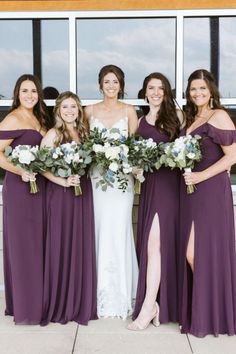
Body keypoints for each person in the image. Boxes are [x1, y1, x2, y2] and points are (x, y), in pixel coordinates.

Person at [179, 69, 236, 337]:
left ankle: (211, 313)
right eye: (193, 89)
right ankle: (206, 310)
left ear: (211, 90)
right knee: (195, 252)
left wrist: (202, 174)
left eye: (202, 88)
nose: (197, 93)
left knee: (197, 253)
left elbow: (232, 156)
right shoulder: (191, 117)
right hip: (191, 192)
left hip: (211, 189)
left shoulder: (219, 115)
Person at [128, 72, 182, 330]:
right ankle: (155, 304)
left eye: (161, 88)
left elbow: (192, 149)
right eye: (151, 88)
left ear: (167, 91)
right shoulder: (140, 121)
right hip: (149, 187)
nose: (156, 92)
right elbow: (136, 157)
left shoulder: (178, 117)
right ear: (145, 91)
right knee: (152, 246)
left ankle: (149, 306)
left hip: (172, 188)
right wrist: (135, 168)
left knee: (155, 244)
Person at [84, 64, 139, 319]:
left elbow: (135, 148)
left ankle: (123, 292)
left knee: (118, 230)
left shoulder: (129, 111)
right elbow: (82, 145)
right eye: (107, 81)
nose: (111, 86)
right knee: (97, 230)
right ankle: (95, 293)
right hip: (96, 181)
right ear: (99, 84)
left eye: (115, 82)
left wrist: (127, 162)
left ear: (121, 85)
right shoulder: (89, 111)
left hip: (121, 183)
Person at [40, 91, 97, 325]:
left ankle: (79, 300)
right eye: (65, 107)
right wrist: (63, 181)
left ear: (79, 109)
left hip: (83, 192)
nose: (70, 111)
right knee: (61, 243)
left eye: (73, 107)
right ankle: (60, 302)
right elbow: (42, 166)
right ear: (58, 111)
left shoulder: (84, 133)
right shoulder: (53, 134)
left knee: (80, 244)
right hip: (62, 194)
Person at [0, 74, 49, 324]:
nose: (29, 95)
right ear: (17, 94)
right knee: (23, 245)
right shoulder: (13, 118)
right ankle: (26, 308)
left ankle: (38, 301)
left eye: (33, 91)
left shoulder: (39, 118)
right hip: (20, 190)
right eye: (24, 91)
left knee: (37, 244)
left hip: (39, 188)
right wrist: (21, 170)